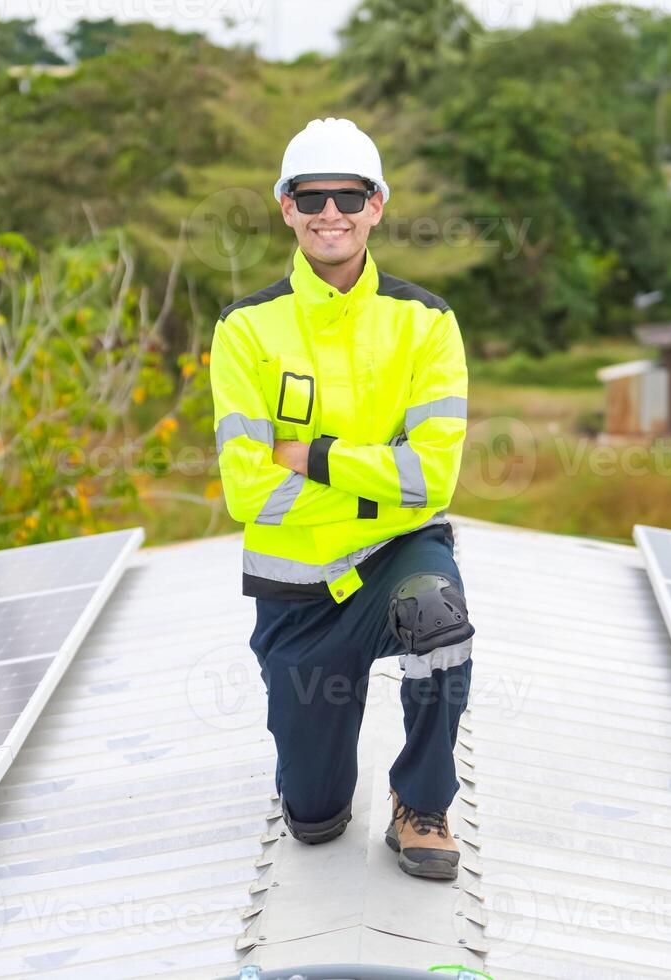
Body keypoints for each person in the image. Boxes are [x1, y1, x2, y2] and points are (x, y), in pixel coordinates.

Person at [208, 117, 474, 880]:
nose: (332, 213)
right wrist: (377, 479)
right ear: (285, 206)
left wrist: (314, 457)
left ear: (378, 205)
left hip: (399, 560)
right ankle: (321, 788)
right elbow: (247, 489)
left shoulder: (427, 323)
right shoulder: (246, 330)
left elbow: (432, 482)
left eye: (349, 196)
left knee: (439, 616)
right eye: (312, 196)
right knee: (314, 821)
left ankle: (422, 802)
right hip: (298, 594)